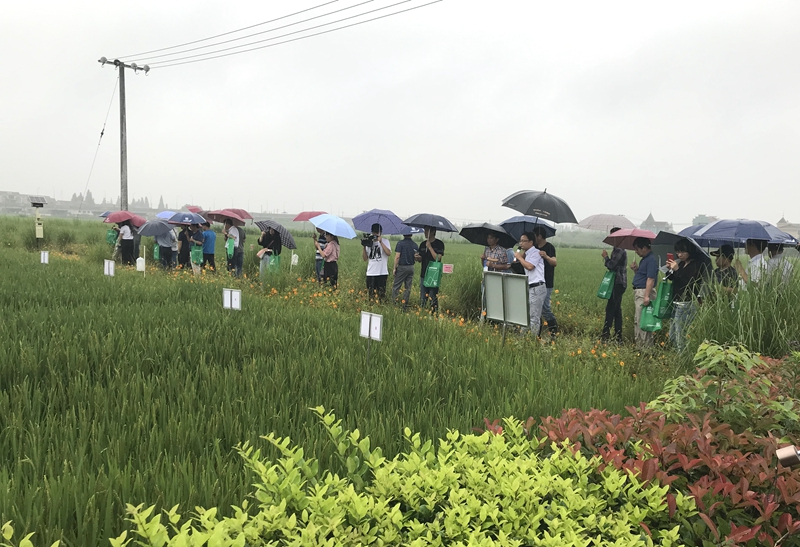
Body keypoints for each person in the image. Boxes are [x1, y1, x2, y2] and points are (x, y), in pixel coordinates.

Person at [664, 238, 706, 352]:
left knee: (680, 335)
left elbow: (688, 283)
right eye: (677, 252)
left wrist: (677, 270)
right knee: (672, 334)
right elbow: (674, 278)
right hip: (676, 302)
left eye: (682, 251)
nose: (679, 254)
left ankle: (682, 358)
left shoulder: (696, 265)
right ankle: (678, 355)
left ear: (690, 251)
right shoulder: (681, 263)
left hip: (686, 303)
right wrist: (670, 270)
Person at [514, 231, 546, 336]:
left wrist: (519, 257)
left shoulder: (536, 253)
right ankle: (522, 338)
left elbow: (529, 266)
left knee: (534, 317)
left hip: (537, 287)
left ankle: (532, 341)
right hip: (530, 287)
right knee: (526, 315)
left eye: (524, 241)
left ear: (531, 242)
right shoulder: (527, 254)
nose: (521, 243)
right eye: (520, 241)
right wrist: (520, 257)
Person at [600, 227, 627, 344]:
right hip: (617, 283)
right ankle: (618, 336)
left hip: (618, 283)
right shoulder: (616, 249)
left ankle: (606, 335)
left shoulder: (619, 250)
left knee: (611, 309)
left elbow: (612, 265)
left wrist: (606, 257)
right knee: (616, 310)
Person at [630, 237, 658, 349]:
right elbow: (643, 276)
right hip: (640, 291)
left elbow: (650, 279)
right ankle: (639, 346)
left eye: (637, 249)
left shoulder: (651, 259)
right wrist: (635, 270)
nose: (636, 252)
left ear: (645, 248)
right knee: (638, 320)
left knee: (644, 321)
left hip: (644, 293)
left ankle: (646, 349)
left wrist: (646, 296)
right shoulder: (645, 259)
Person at [533, 226, 559, 337]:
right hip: (535, 281)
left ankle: (553, 330)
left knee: (544, 307)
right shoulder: (533, 247)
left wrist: (546, 256)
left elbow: (554, 262)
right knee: (536, 307)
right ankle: (536, 332)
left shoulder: (549, 247)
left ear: (539, 236)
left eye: (534, 236)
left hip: (546, 282)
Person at [415, 227, 445, 312]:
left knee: (433, 297)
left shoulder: (439, 244)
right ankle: (421, 314)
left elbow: (438, 258)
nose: (425, 232)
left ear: (433, 232)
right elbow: (421, 259)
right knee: (423, 298)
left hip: (434, 275)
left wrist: (430, 247)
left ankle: (434, 315)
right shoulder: (422, 244)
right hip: (423, 274)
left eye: (427, 230)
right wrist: (417, 258)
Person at [362, 223, 392, 302]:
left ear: (381, 232)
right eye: (374, 232)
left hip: (382, 272)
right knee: (371, 295)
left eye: (377, 232)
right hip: (371, 272)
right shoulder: (369, 242)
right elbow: (365, 258)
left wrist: (381, 242)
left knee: (381, 295)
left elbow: (388, 253)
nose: (375, 234)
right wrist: (364, 246)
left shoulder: (385, 241)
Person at [392, 232, 418, 309]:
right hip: (411, 267)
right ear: (411, 234)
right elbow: (416, 256)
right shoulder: (415, 244)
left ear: (403, 234)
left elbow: (397, 256)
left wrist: (394, 268)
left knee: (396, 286)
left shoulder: (400, 243)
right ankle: (405, 305)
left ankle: (394, 304)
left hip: (402, 267)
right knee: (408, 287)